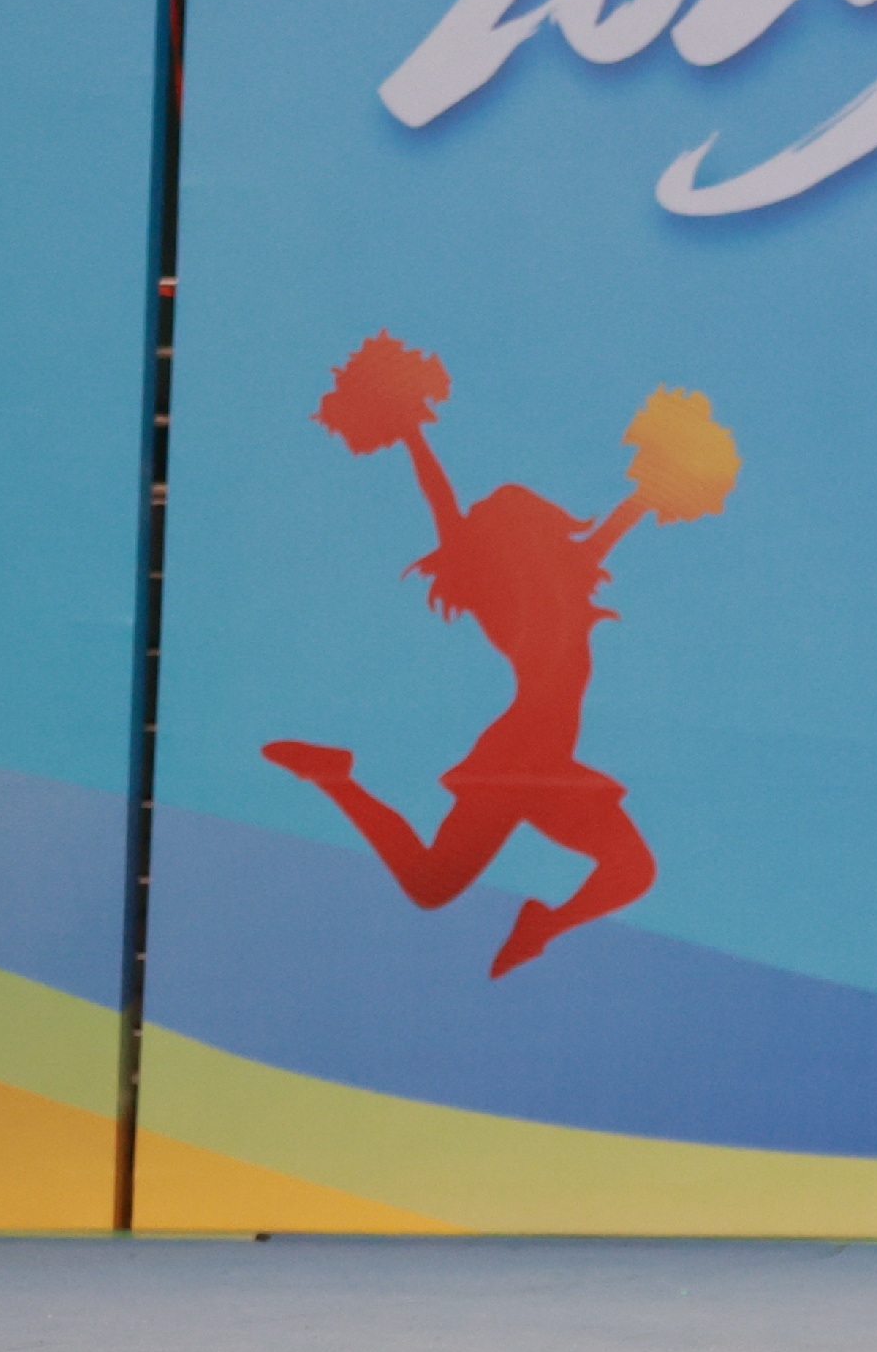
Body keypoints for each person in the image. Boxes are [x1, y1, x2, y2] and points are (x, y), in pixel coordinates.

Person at [266, 331, 736, 979]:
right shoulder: (501, 600)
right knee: (433, 883)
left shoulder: (568, 582)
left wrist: (662, 473)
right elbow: (444, 506)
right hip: (520, 757)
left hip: (544, 761)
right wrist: (411, 431)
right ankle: (335, 778)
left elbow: (618, 520)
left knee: (629, 871)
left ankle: (540, 926)